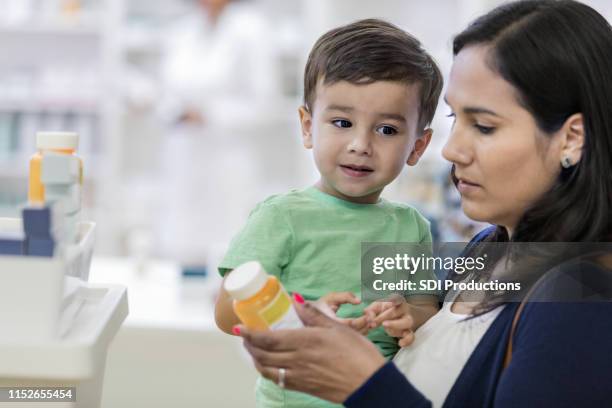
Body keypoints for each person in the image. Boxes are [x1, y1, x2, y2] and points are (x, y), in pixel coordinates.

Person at [235, 1, 612, 406]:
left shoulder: (581, 296)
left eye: (484, 126)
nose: (451, 150)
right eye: (455, 120)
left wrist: (365, 383)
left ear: (572, 137)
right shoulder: (488, 248)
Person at [214, 19, 443, 407]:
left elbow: (425, 307)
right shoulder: (282, 217)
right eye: (341, 123)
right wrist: (299, 316)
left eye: (386, 130)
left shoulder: (409, 225)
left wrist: (408, 316)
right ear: (307, 127)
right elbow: (225, 313)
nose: (360, 144)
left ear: (418, 147)